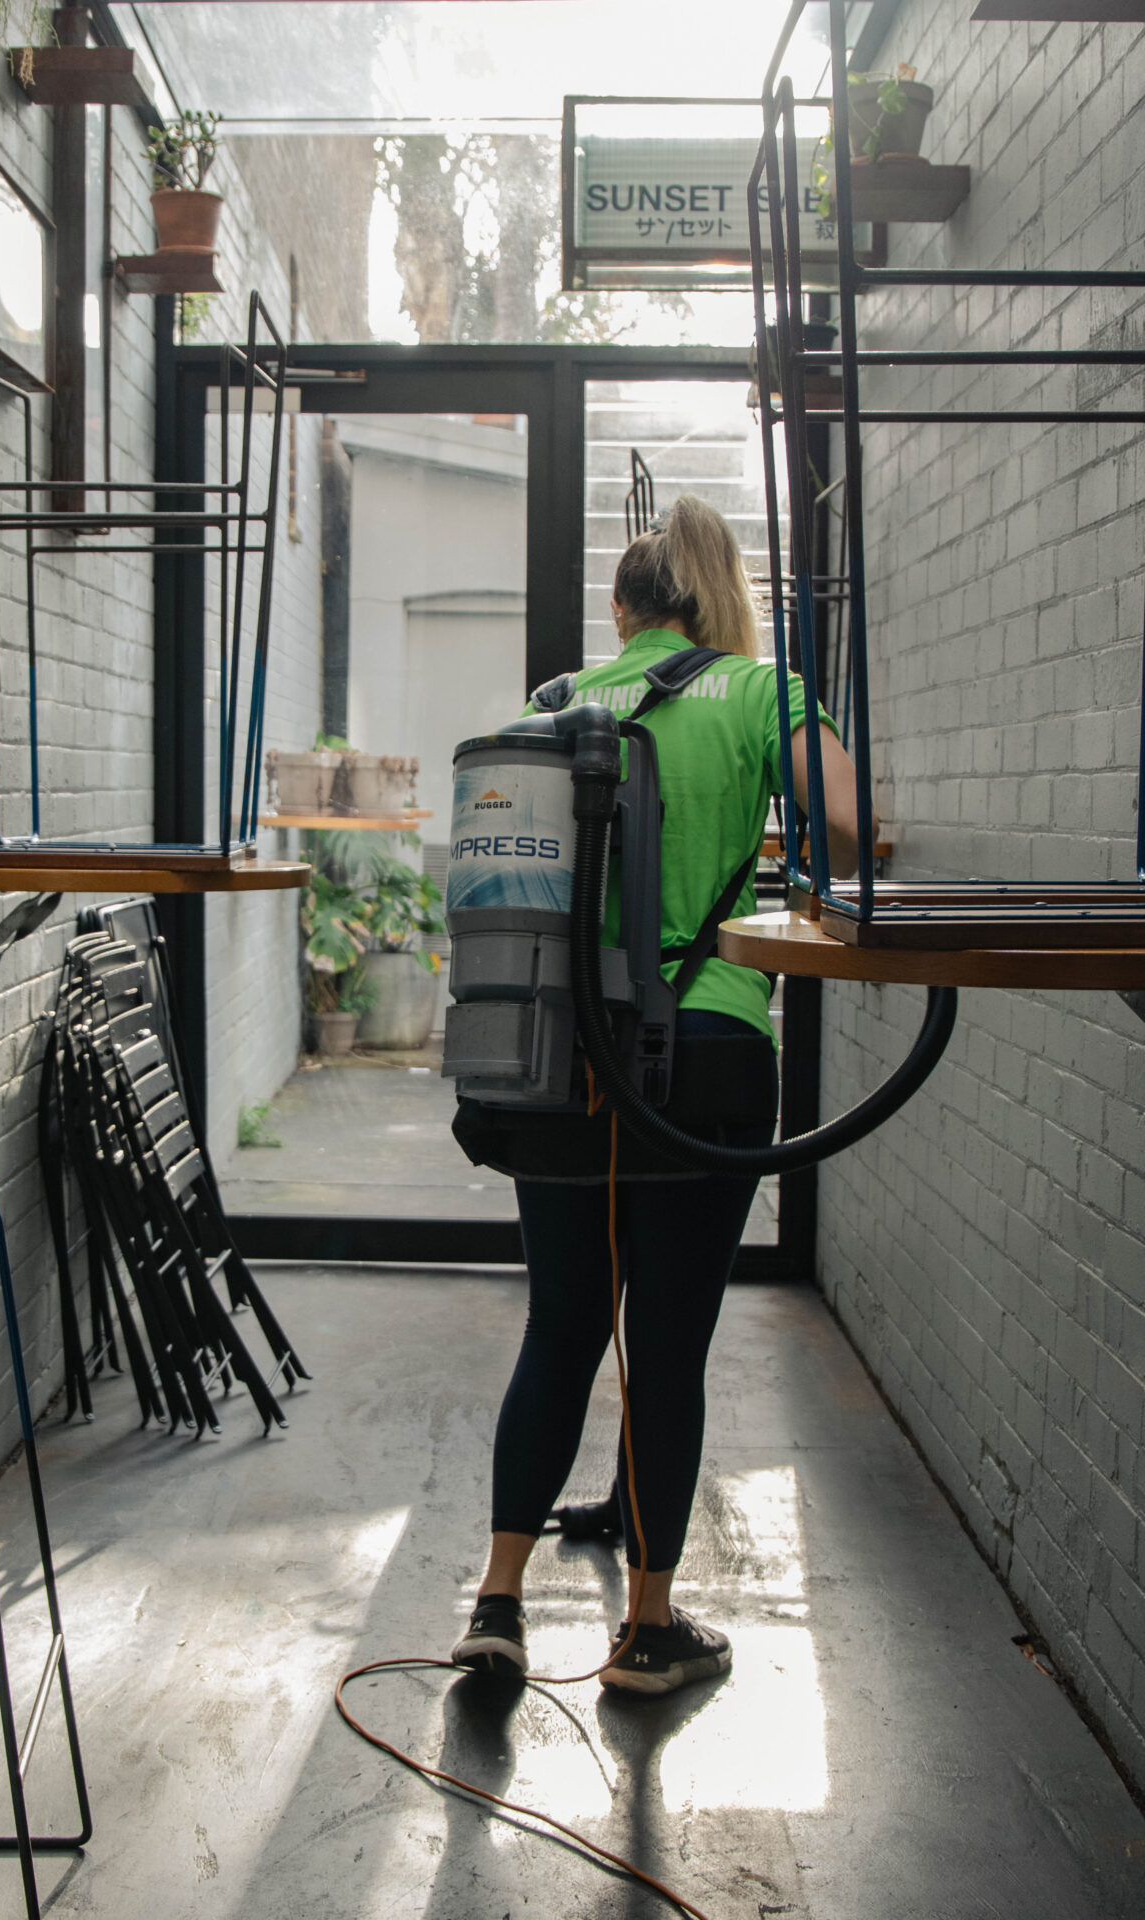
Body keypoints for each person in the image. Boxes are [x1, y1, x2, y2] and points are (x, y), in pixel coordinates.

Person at [449, 494, 868, 1694]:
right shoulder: (756, 690)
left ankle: (496, 1603)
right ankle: (646, 1630)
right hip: (711, 1062)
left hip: (553, 1066)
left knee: (563, 1327)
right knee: (667, 1349)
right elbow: (850, 822)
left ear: (623, 611)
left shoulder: (556, 703)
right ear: (709, 597)